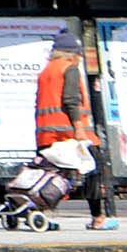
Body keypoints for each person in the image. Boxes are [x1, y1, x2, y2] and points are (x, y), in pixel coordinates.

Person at [35, 32, 115, 230]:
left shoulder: (46, 71)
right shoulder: (69, 68)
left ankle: (40, 214)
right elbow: (71, 100)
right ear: (72, 54)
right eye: (79, 54)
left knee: (49, 176)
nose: (79, 58)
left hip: (47, 133)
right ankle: (98, 218)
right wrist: (79, 128)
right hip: (69, 132)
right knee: (93, 171)